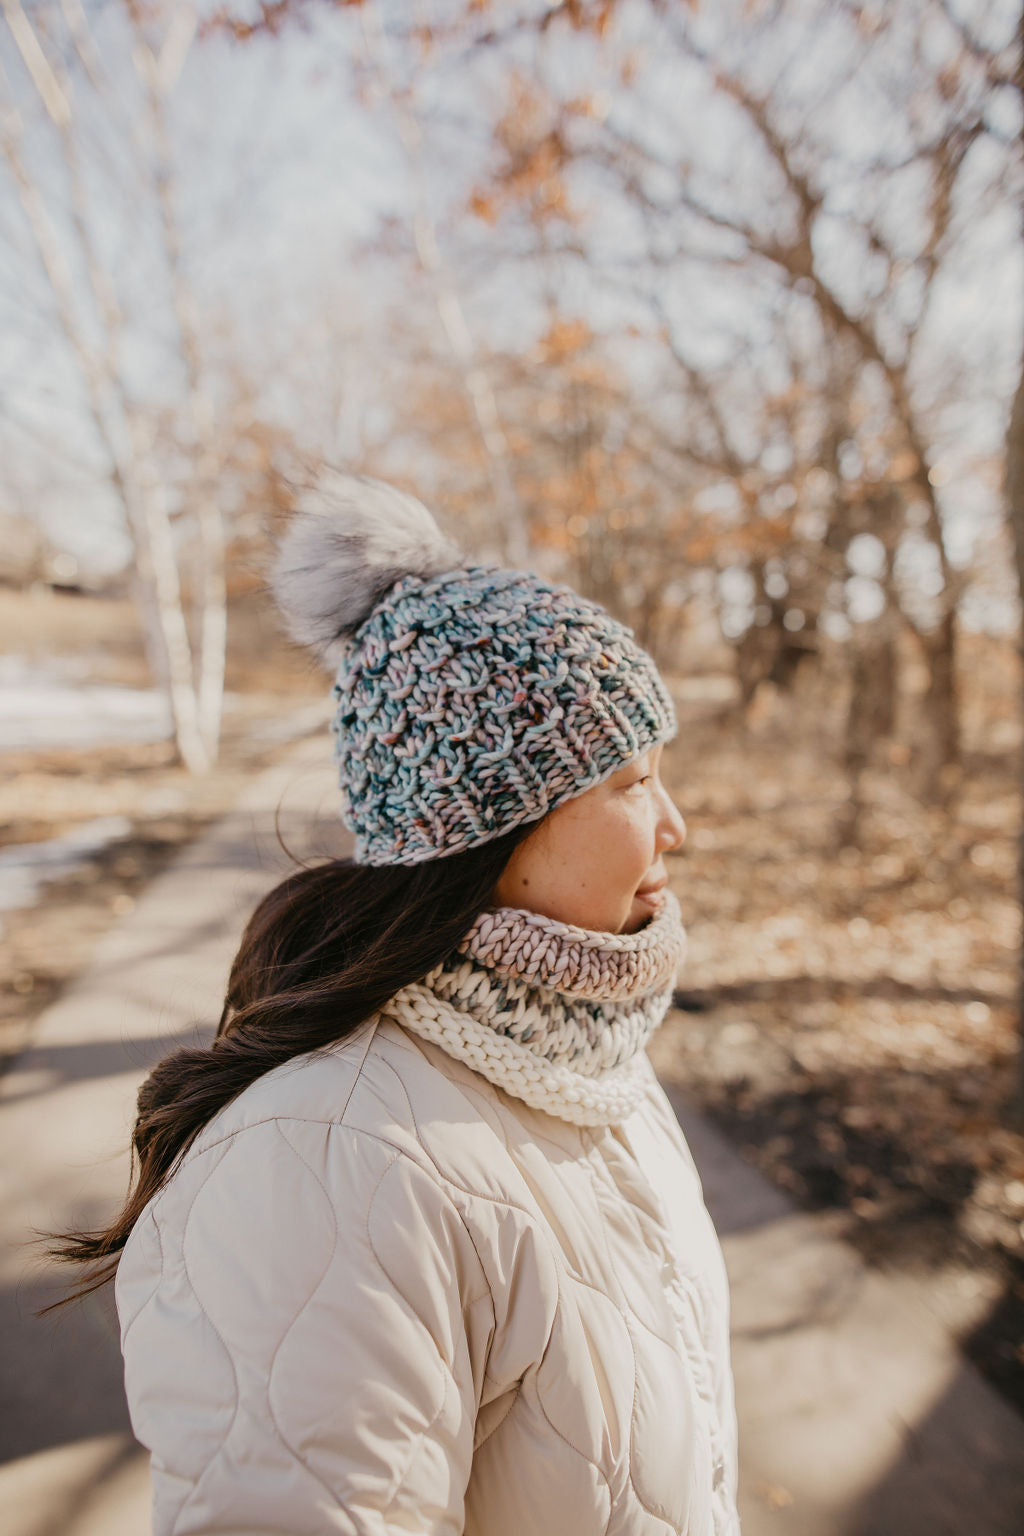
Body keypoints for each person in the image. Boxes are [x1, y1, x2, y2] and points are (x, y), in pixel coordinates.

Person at [55, 472, 740, 1535]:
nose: (676, 824)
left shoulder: (593, 1064)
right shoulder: (323, 1164)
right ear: (487, 825)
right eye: (628, 780)